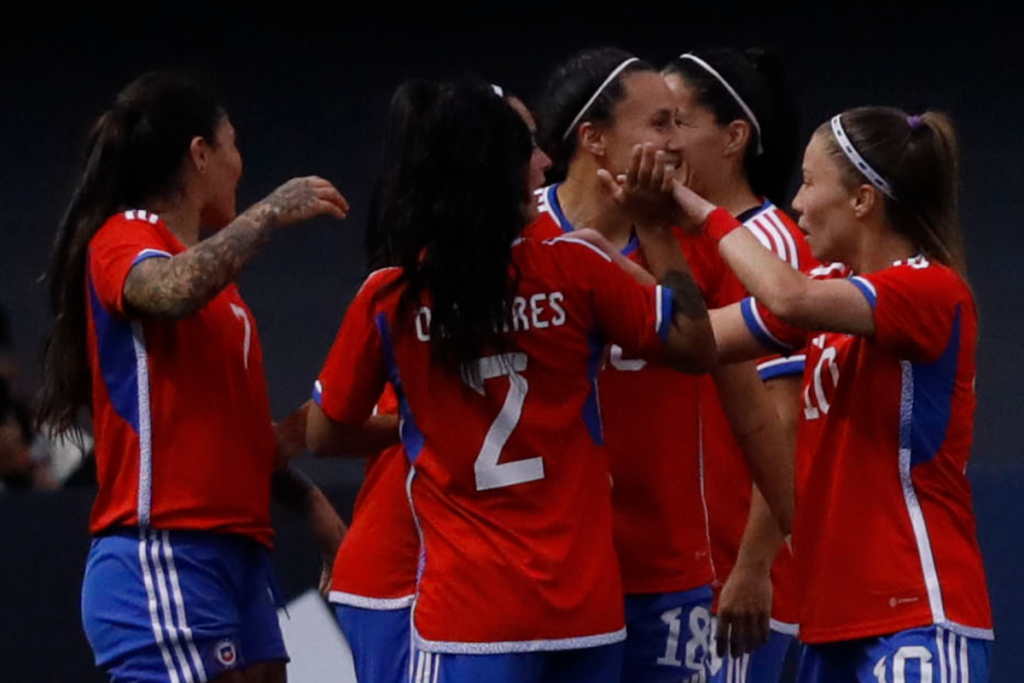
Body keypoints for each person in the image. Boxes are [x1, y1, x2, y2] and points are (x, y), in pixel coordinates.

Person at [306, 82, 715, 683]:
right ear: (496, 168)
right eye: (528, 150)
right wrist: (656, 230)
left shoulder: (391, 297)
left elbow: (324, 432)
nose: (545, 163)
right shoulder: (580, 266)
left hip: (470, 617)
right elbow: (696, 344)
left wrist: (423, 422)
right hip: (584, 611)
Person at [36, 70, 349, 683]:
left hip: (239, 554)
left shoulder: (224, 294)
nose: (240, 162)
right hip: (166, 552)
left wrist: (311, 502)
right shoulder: (125, 236)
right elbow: (166, 291)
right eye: (232, 145)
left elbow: (234, 434)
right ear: (199, 153)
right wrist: (270, 214)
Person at [665, 106, 993, 682]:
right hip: (834, 618)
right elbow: (697, 338)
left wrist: (706, 216)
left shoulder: (928, 287)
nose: (797, 202)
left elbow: (787, 298)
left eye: (811, 182)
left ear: (863, 200)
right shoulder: (830, 289)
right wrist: (640, 233)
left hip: (915, 609)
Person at [533, 47, 793, 682]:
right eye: (659, 124)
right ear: (593, 140)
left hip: (669, 576)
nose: (676, 143)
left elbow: (756, 416)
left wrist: (779, 545)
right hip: (546, 573)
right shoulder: (520, 238)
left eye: (681, 122)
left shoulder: (705, 247)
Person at [321, 80, 556, 683]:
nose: (544, 161)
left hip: (475, 579)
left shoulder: (533, 265)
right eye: (524, 142)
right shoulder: (418, 290)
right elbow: (326, 428)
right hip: (415, 572)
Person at [662, 47, 813, 682]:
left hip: (741, 585)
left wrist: (753, 567)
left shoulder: (772, 244)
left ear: (733, 136)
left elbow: (785, 421)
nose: (661, 140)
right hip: (680, 574)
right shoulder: (668, 242)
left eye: (676, 122)